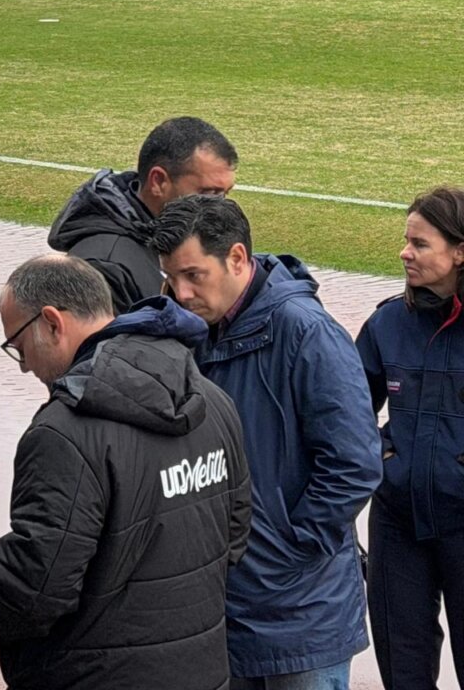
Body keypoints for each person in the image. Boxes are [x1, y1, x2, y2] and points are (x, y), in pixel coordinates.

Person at [0, 255, 252, 690]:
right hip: (201, 672)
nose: (25, 365)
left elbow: (32, 596)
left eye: (19, 346)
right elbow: (234, 537)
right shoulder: (212, 399)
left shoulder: (63, 432)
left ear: (52, 322)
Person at [150, 196, 382, 690]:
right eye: (171, 277)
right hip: (224, 605)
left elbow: (354, 464)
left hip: (300, 612)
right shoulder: (191, 330)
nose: (181, 293)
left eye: (193, 275)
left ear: (237, 258)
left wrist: (290, 550)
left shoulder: (307, 332)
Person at [357, 186, 464, 690]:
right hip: (398, 524)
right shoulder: (387, 323)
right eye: (406, 241)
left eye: (420, 244)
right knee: (403, 673)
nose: (405, 253)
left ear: (459, 251)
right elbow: (346, 412)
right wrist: (383, 457)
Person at [48, 116, 238, 314]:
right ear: (158, 181)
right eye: (209, 193)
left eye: (225, 194)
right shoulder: (106, 268)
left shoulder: (175, 237)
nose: (220, 208)